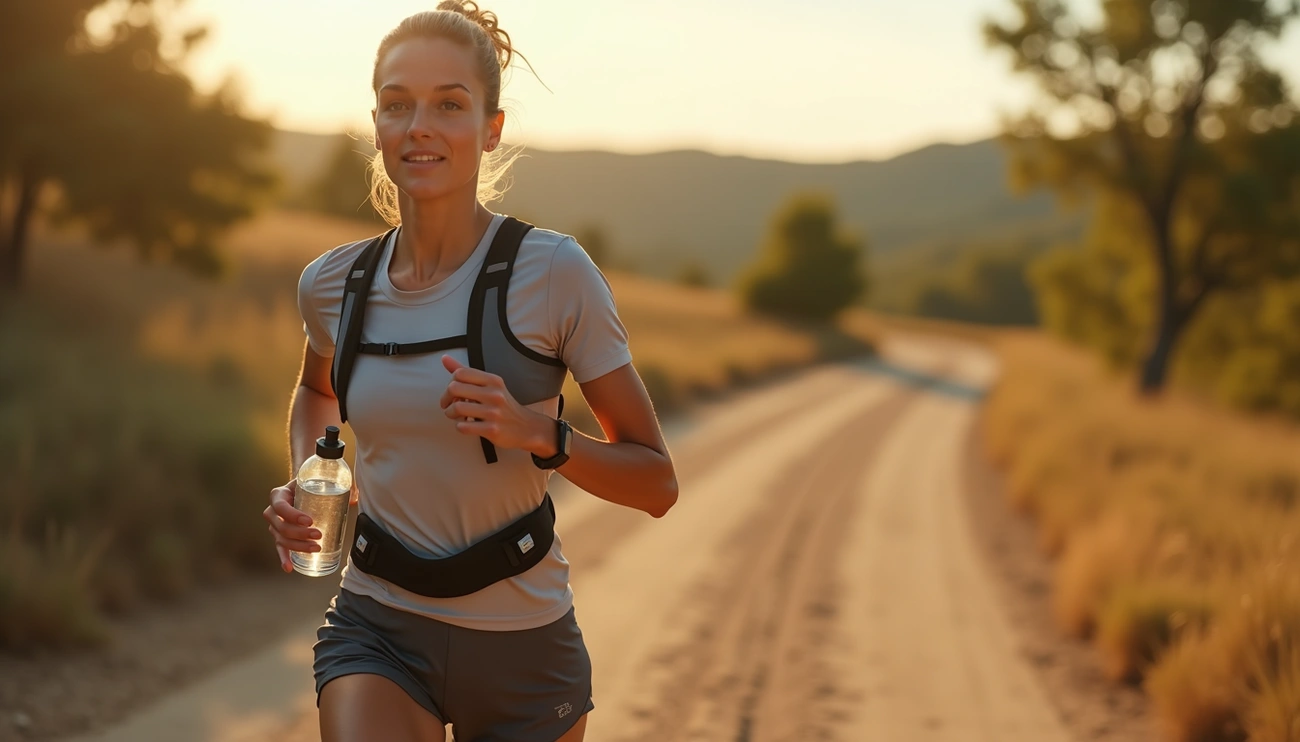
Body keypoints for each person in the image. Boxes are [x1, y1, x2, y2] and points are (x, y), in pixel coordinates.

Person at [261, 4, 679, 740]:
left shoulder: (554, 273)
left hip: (523, 647)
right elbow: (317, 390)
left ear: (491, 128)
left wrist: (539, 433)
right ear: (378, 124)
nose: (419, 125)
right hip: (377, 626)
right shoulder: (333, 284)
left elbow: (656, 482)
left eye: (449, 104)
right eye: (398, 105)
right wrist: (309, 478)